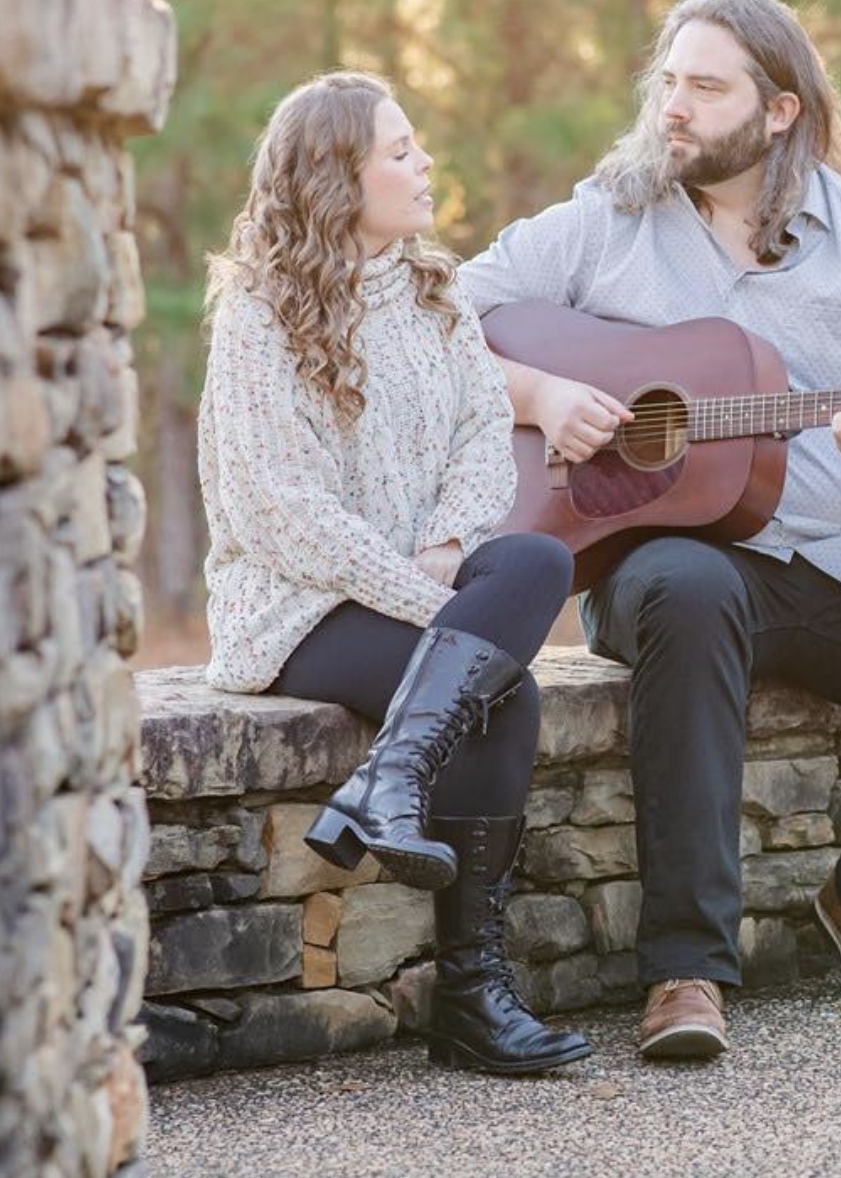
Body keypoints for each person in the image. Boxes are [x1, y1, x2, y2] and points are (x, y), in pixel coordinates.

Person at [458, 0, 841, 1061]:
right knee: (690, 593)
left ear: (778, 110)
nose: (673, 108)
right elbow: (439, 315)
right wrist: (540, 398)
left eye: (704, 86)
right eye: (667, 83)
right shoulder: (604, 219)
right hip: (662, 557)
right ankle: (684, 969)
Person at [197, 70, 591, 1075]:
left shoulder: (434, 288)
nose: (424, 167)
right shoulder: (255, 314)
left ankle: (387, 777)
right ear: (340, 175)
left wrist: (455, 551)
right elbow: (282, 512)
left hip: (430, 581)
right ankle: (471, 995)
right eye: (402, 150)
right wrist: (428, 597)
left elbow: (478, 437)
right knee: (500, 694)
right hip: (298, 606)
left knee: (537, 556)